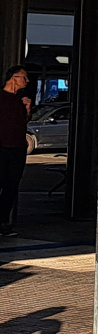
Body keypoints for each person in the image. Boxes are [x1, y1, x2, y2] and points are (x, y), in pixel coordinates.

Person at [0, 65, 32, 237]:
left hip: (17, 148)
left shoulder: (20, 100)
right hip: (2, 147)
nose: (26, 81)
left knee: (11, 186)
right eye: (24, 78)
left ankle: (3, 223)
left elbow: (22, 123)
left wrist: (27, 110)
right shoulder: (2, 98)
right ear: (14, 78)